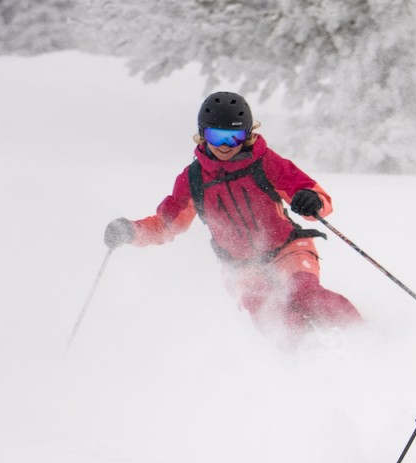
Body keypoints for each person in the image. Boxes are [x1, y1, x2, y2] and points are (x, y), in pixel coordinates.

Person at [104, 91, 362, 346]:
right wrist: (131, 231)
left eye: (234, 136)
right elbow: (166, 224)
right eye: (217, 136)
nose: (225, 145)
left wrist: (311, 200)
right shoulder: (193, 179)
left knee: (305, 293)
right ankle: (305, 353)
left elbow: (312, 192)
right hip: (241, 266)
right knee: (265, 309)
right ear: (203, 135)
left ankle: (361, 338)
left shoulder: (265, 163)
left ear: (247, 135)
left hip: (287, 248)